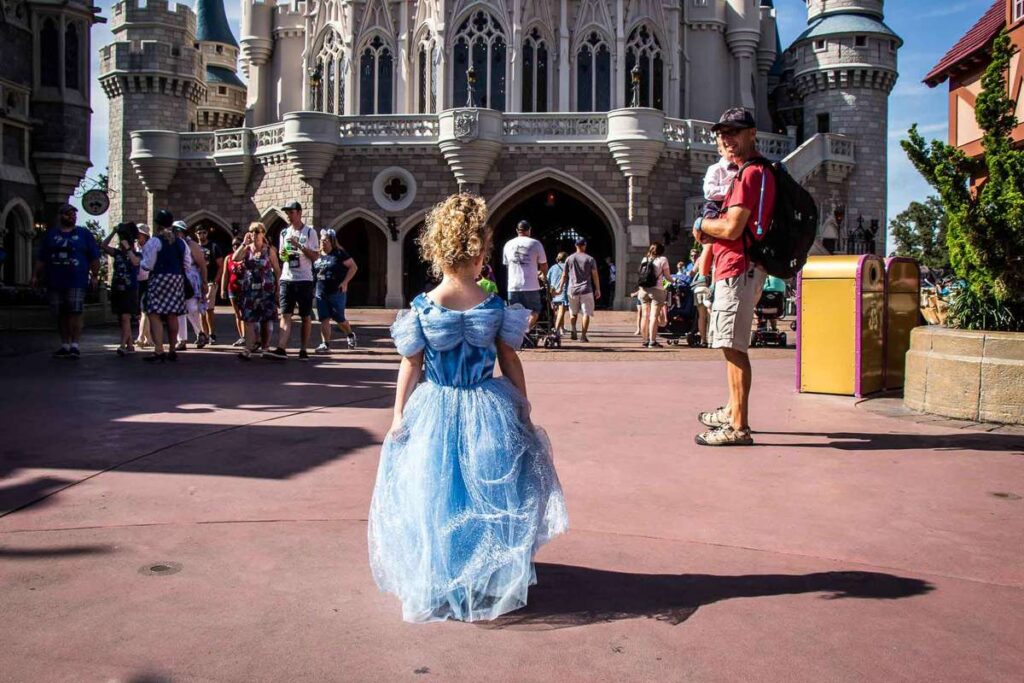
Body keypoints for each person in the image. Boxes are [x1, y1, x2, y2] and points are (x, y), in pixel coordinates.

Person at [368, 193, 567, 623]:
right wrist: (523, 407)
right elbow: (510, 359)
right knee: (487, 489)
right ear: (480, 250)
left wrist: (399, 414)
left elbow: (411, 363)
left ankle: (445, 569)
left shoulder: (423, 307)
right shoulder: (494, 306)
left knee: (437, 492)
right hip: (485, 405)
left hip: (435, 405)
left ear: (437, 250)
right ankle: (482, 572)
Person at [692, 108, 775, 446]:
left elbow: (731, 226)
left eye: (734, 132)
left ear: (752, 133)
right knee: (730, 346)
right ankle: (732, 408)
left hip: (738, 266)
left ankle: (738, 426)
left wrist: (700, 225)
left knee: (733, 348)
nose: (727, 139)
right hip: (738, 265)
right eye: (722, 133)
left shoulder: (749, 175)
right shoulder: (750, 172)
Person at [31, 204, 101, 359]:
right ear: (61, 216)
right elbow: (42, 257)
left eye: (74, 215)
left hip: (77, 279)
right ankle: (65, 344)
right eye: (69, 214)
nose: (72, 217)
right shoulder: (51, 235)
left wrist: (95, 275)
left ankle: (75, 345)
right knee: (61, 313)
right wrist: (35, 275)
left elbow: (94, 257)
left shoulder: (84, 234)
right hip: (55, 279)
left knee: (75, 311)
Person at [268, 201, 318, 360]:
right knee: (285, 314)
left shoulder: (310, 233)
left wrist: (299, 246)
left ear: (299, 213)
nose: (288, 215)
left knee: (305, 316)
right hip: (287, 278)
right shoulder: (284, 233)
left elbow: (315, 257)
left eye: (291, 212)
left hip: (304, 279)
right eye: (287, 213)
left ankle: (303, 349)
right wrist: (282, 254)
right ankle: (281, 348)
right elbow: (284, 258)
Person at [139, 210, 188, 362]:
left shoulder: (155, 241)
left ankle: (159, 350)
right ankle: (172, 349)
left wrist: (139, 262)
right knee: (172, 314)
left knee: (154, 313)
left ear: (157, 224)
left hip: (159, 278)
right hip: (177, 279)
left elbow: (148, 265)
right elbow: (187, 263)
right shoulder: (181, 242)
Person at [233, 223, 280, 360]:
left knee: (266, 319)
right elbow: (235, 258)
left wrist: (277, 289)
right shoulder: (247, 249)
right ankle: (248, 348)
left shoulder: (269, 250)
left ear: (263, 233)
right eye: (251, 231)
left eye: (257, 231)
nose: (254, 234)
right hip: (250, 289)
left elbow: (277, 270)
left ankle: (265, 348)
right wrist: (243, 244)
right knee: (248, 319)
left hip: (266, 290)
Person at [313, 228, 359, 354]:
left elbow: (353, 267)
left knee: (338, 318)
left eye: (326, 240)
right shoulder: (317, 255)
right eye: (322, 240)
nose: (323, 243)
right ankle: (325, 344)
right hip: (321, 291)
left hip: (336, 291)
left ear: (332, 242)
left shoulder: (339, 254)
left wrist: (345, 282)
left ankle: (349, 334)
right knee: (324, 318)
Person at [101, 222, 141, 356]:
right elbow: (103, 246)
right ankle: (130, 344)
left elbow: (136, 262)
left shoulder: (136, 254)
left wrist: (128, 249)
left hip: (130, 289)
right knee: (122, 318)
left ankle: (123, 345)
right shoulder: (117, 253)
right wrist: (113, 232)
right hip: (117, 288)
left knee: (125, 317)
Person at [502, 219, 547, 328]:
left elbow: (507, 265)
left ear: (517, 230)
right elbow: (544, 264)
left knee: (515, 314)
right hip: (531, 285)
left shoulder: (508, 244)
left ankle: (518, 335)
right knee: (534, 311)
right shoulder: (535, 244)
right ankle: (526, 331)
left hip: (513, 286)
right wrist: (543, 276)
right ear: (529, 230)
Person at [558, 237, 600, 342]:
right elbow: (595, 275)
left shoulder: (569, 258)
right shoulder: (590, 259)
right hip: (586, 289)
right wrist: (598, 289)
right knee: (586, 313)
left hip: (572, 289)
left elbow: (564, 275)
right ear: (584, 245)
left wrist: (560, 288)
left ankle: (573, 329)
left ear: (575, 246)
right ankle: (583, 336)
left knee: (573, 312)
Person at [637, 242, 672, 348]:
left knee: (644, 316)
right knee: (653, 316)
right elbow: (667, 276)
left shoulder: (645, 259)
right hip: (657, 290)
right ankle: (652, 341)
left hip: (643, 290)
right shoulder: (663, 260)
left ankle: (645, 340)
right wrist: (673, 281)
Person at [195, 225, 223, 344]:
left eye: (204, 232)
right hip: (197, 281)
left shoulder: (213, 246)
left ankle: (212, 334)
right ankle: (204, 334)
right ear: (196, 234)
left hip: (211, 280)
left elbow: (221, 265)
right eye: (199, 233)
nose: (202, 235)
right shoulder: (194, 247)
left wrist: (216, 280)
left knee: (209, 309)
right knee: (200, 309)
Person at [221, 236, 246, 346]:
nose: (235, 246)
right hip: (233, 288)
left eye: (238, 244)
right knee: (237, 314)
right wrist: (223, 289)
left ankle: (248, 336)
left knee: (245, 313)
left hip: (245, 288)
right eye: (234, 245)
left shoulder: (246, 256)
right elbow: (225, 274)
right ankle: (242, 336)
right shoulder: (229, 258)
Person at [134, 224, 153, 348]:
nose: (137, 236)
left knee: (145, 309)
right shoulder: (134, 247)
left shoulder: (151, 248)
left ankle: (140, 336)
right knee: (139, 313)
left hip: (148, 280)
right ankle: (149, 338)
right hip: (136, 281)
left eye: (139, 234)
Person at [545, 252, 569, 337]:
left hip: (553, 291)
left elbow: (547, 279)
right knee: (561, 311)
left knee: (557, 311)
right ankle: (556, 329)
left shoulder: (553, 267)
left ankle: (561, 328)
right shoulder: (567, 267)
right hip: (563, 291)